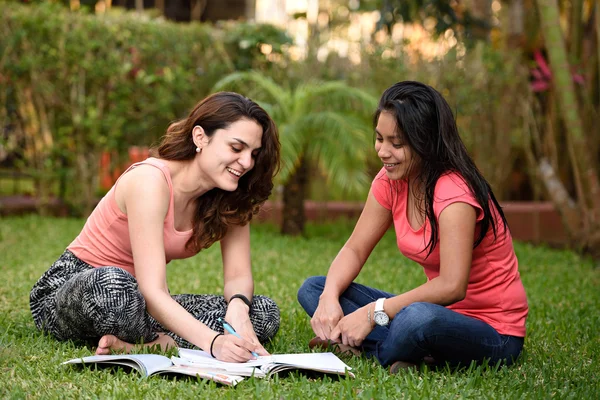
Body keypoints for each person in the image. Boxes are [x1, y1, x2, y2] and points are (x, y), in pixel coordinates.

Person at [30, 92, 281, 363]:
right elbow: (152, 290)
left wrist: (238, 310)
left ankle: (142, 344)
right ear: (200, 137)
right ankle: (163, 341)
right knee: (115, 287)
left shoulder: (231, 198)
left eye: (253, 154)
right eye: (236, 148)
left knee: (263, 312)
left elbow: (238, 276)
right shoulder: (149, 181)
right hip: (80, 289)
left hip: (141, 300)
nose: (247, 163)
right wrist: (214, 342)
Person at [297, 81, 528, 373]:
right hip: (437, 312)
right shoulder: (390, 180)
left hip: (492, 331)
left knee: (417, 319)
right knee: (314, 288)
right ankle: (405, 353)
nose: (382, 151)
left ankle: (368, 347)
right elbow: (354, 249)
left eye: (397, 143)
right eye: (379, 138)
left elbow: (452, 286)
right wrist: (329, 298)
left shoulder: (454, 193)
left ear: (425, 143)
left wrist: (373, 313)